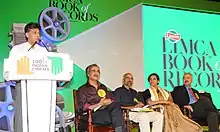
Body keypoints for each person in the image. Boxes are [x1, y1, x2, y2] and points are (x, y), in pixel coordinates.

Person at [8, 22, 48, 132]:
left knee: (39, 115)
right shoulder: (17, 49)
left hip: (40, 87)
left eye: (39, 33)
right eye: (34, 32)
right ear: (26, 34)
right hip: (23, 85)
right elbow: (11, 68)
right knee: (22, 114)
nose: (37, 35)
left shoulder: (43, 51)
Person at [77, 64, 126, 132]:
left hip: (105, 110)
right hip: (91, 113)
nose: (96, 73)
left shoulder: (103, 87)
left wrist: (109, 101)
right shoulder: (83, 89)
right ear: (88, 74)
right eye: (94, 71)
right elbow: (82, 106)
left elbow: (111, 99)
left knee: (116, 105)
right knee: (117, 117)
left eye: (98, 71)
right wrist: (99, 104)